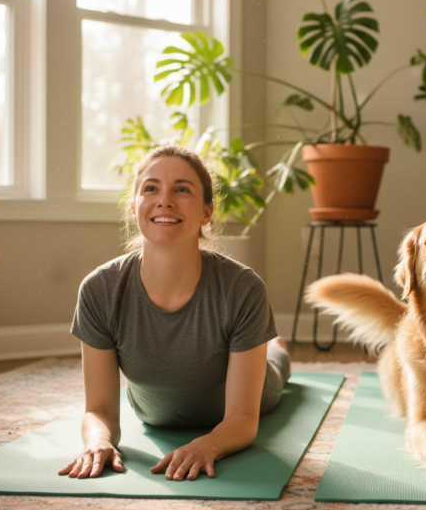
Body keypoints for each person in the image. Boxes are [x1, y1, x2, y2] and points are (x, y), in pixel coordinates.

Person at [59, 145, 290, 482]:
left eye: (182, 189)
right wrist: (98, 440)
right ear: (134, 206)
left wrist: (208, 445)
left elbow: (242, 418)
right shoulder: (99, 289)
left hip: (245, 400)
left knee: (277, 361)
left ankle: (275, 347)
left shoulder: (243, 287)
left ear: (207, 212)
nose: (164, 200)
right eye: (150, 188)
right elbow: (100, 410)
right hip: (155, 412)